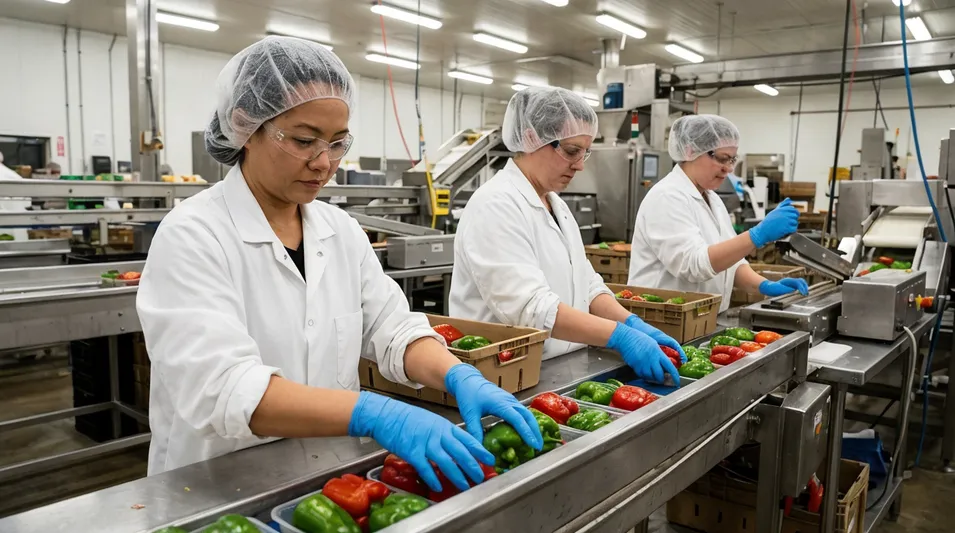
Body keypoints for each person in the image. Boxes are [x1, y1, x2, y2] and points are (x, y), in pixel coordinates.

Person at [136, 37, 542, 492]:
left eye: (337, 143)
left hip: (328, 480)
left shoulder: (340, 231)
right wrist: (372, 412)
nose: (324, 163)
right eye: (305, 141)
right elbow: (224, 389)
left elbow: (393, 328)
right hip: (216, 489)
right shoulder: (192, 235)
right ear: (244, 127)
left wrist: (455, 373)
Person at [450, 87, 684, 385]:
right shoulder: (495, 205)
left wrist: (631, 323)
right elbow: (532, 309)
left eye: (585, 152)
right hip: (504, 378)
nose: (580, 164)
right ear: (533, 138)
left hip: (560, 367)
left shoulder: (556, 204)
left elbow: (586, 284)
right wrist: (618, 336)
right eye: (571, 151)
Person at [628, 115, 808, 312]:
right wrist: (757, 235)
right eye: (722, 159)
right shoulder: (667, 197)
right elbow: (694, 265)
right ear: (690, 151)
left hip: (701, 321)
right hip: (662, 322)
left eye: (732, 160)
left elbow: (730, 262)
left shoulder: (712, 199)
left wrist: (764, 285)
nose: (728, 169)